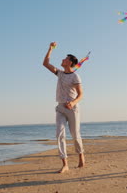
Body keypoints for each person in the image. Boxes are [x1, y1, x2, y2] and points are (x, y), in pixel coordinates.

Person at [43, 42, 85, 173]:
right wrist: (50, 49)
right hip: (60, 108)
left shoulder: (75, 76)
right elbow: (45, 63)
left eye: (65, 59)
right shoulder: (59, 74)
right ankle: (65, 164)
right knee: (59, 135)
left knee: (75, 135)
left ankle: (81, 156)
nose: (62, 60)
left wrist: (72, 103)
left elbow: (81, 94)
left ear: (70, 62)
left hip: (72, 108)